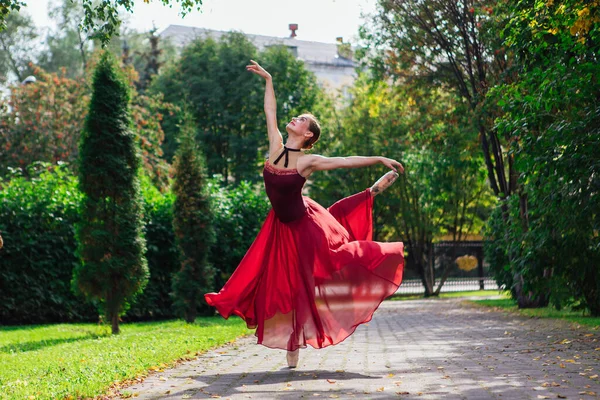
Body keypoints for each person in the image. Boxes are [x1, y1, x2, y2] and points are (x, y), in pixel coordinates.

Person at [205, 60, 405, 368]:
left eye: (301, 120)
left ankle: (372, 199)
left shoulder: (307, 161)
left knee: (323, 270)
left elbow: (344, 160)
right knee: (274, 282)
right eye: (297, 117)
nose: (294, 120)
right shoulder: (275, 146)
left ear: (308, 135)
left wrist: (378, 158)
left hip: (303, 227)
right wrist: (268, 79)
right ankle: (291, 342)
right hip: (278, 227)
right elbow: (269, 111)